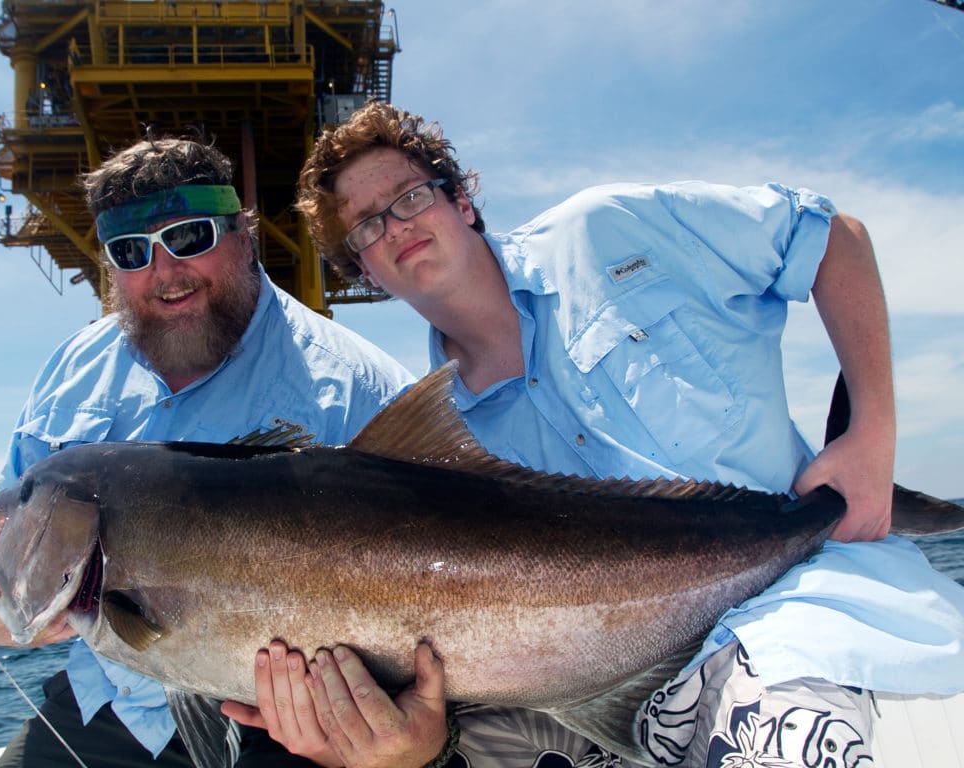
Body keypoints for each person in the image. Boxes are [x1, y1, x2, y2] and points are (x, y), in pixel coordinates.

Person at [223, 102, 964, 768]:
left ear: (463, 200)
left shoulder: (607, 229)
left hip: (799, 600)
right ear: (365, 272)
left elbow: (833, 238)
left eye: (411, 196)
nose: (397, 225)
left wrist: (871, 432)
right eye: (368, 226)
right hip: (628, 676)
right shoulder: (431, 457)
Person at [0, 134, 421, 768]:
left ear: (243, 232)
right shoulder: (71, 369)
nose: (165, 271)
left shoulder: (358, 386)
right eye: (130, 252)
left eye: (191, 238)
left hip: (289, 725)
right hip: (106, 701)